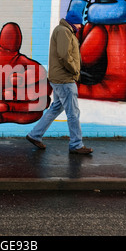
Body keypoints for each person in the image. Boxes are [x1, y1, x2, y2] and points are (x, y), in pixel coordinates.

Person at [26, 10, 93, 155]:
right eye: (78, 23)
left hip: (60, 78)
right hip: (65, 79)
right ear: (72, 22)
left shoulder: (64, 31)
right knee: (73, 113)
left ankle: (35, 134)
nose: (80, 26)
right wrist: (75, 70)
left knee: (56, 108)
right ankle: (76, 144)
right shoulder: (63, 31)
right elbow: (64, 55)